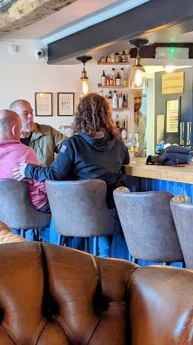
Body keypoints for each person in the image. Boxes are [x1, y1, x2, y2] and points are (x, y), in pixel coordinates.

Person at [13, 93, 129, 255]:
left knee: (58, 209)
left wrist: (28, 170)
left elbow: (54, 175)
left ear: (81, 115)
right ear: (107, 115)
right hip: (109, 213)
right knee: (97, 214)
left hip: (77, 211)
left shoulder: (74, 143)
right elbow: (126, 160)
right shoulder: (118, 143)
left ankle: (54, 255)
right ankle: (105, 262)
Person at [0, 109, 50, 212]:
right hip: (32, 211)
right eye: (20, 130)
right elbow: (44, 185)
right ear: (14, 130)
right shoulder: (25, 152)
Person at [10, 99, 66, 166]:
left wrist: (59, 167)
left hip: (45, 173)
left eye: (31, 112)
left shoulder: (48, 131)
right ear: (14, 118)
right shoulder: (8, 140)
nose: (30, 116)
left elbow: (69, 147)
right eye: (25, 114)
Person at [133, 91, 147, 157]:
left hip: (141, 159)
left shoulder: (143, 117)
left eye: (140, 98)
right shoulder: (125, 120)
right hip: (128, 160)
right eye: (135, 98)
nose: (138, 101)